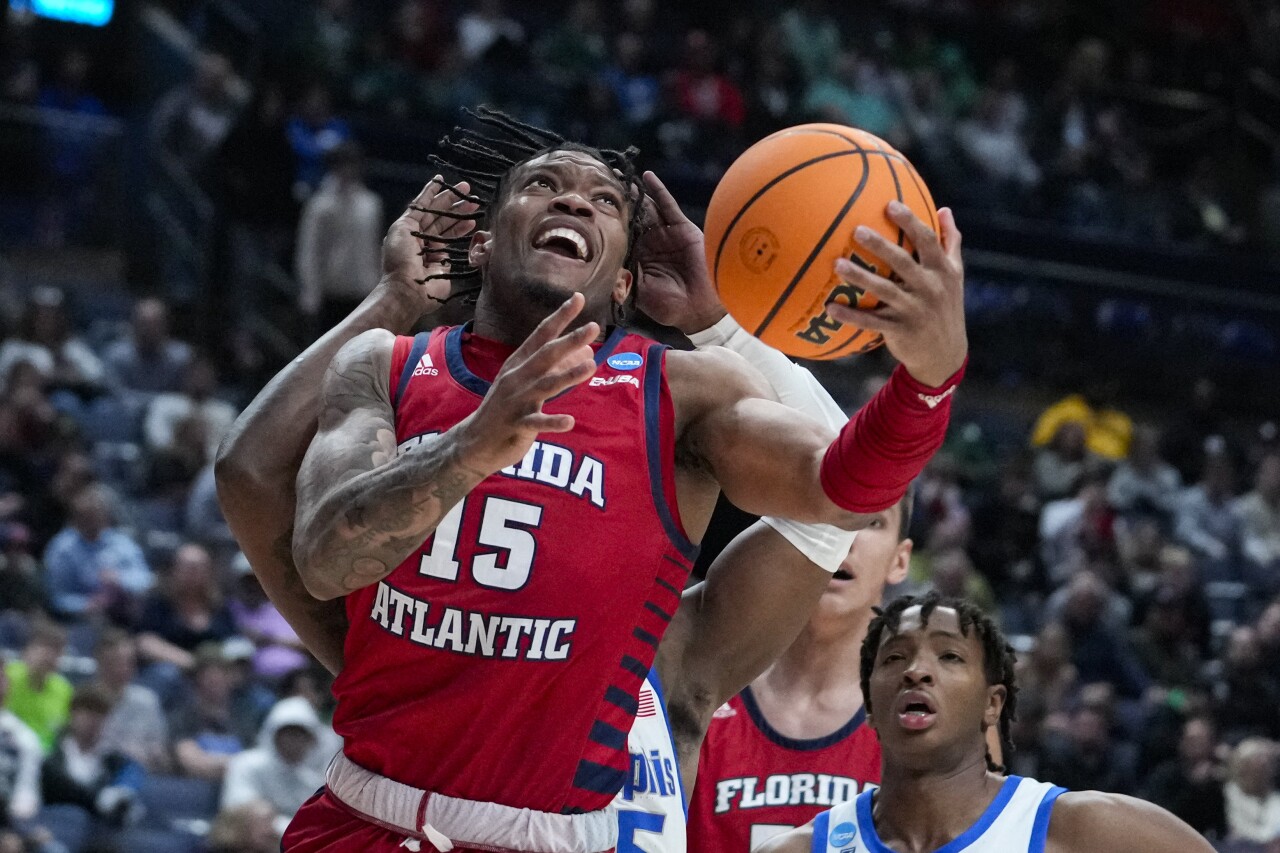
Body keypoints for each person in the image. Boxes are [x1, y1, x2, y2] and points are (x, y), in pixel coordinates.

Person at [218, 109, 967, 852]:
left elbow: (841, 492)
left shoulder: (679, 395)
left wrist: (928, 379)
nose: (574, 199)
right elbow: (321, 554)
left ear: (625, 285)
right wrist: (470, 446)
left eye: (606, 199)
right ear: (483, 242)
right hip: (368, 821)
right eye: (543, 184)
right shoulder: (386, 364)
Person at [757, 592, 1216, 853]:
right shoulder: (798, 850)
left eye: (949, 655)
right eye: (894, 657)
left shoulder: (1081, 829)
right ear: (871, 706)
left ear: (992, 704)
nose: (916, 671)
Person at [685, 494, 911, 851]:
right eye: (824, 511)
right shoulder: (693, 693)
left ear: (900, 560)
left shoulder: (924, 718)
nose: (844, 536)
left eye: (872, 522)